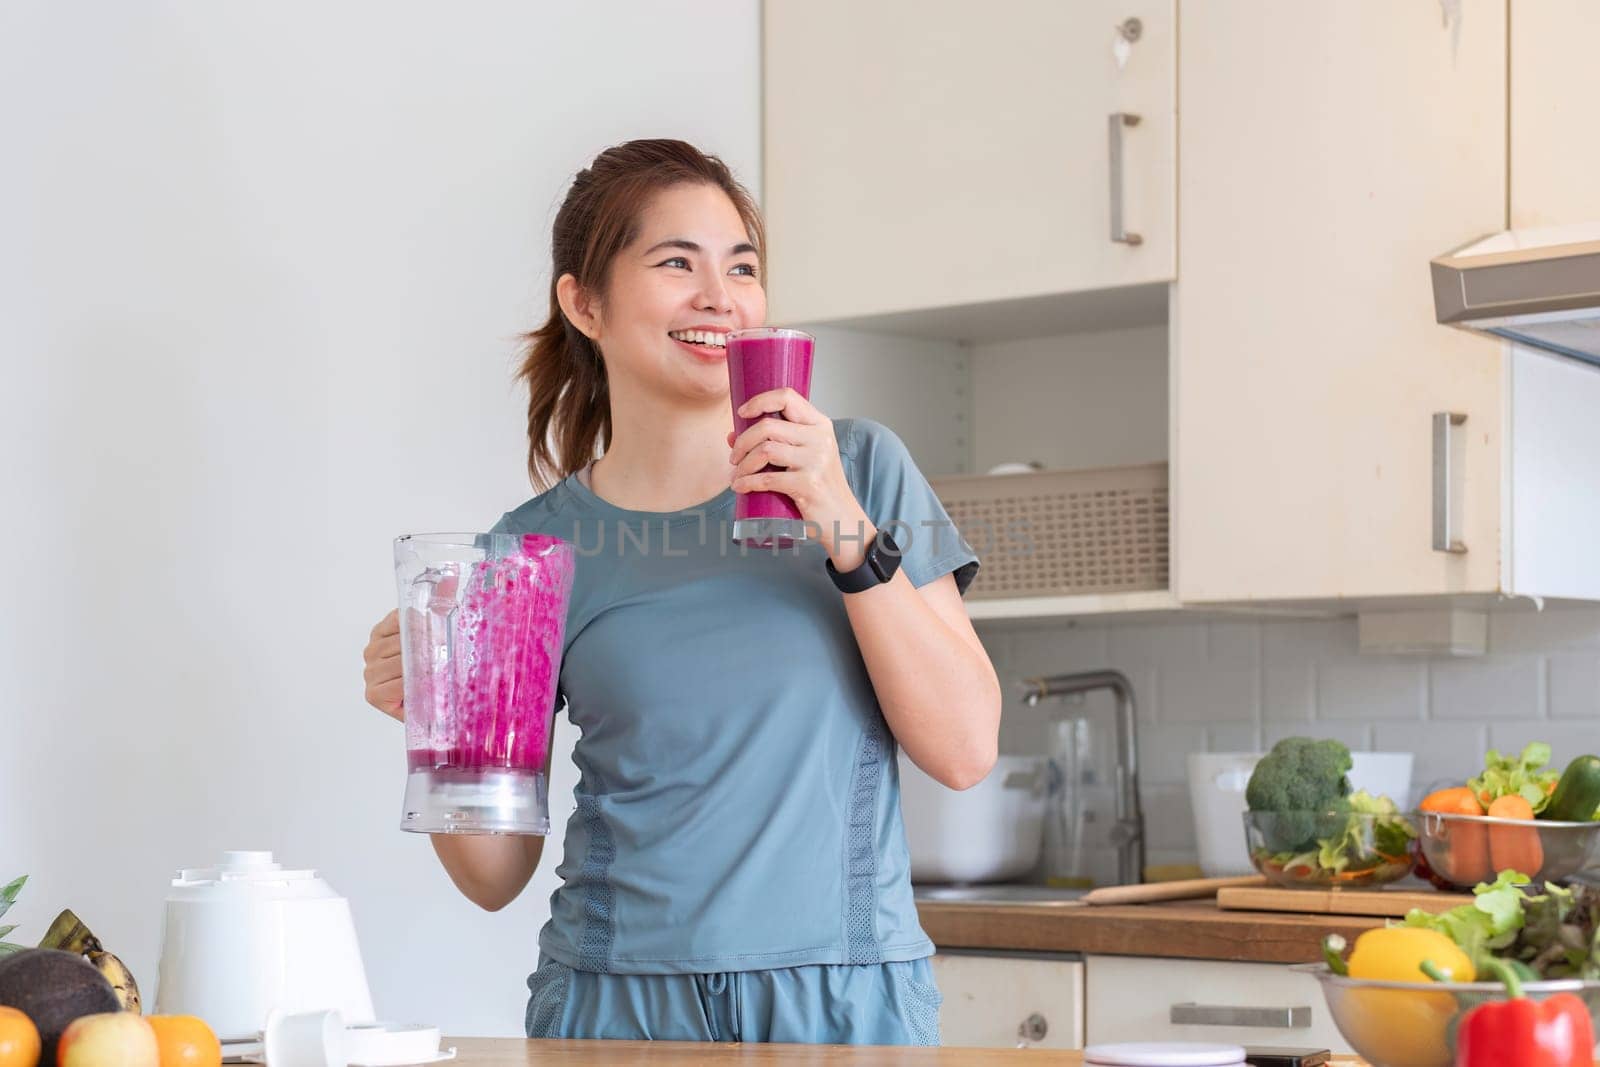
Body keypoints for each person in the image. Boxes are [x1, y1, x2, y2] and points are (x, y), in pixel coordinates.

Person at [361, 139, 1000, 1045]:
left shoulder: (863, 467)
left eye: (742, 267)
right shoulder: (529, 548)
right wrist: (434, 710)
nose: (720, 297)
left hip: (842, 1001)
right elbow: (494, 873)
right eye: (676, 262)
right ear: (584, 302)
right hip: (612, 1004)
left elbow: (967, 747)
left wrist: (838, 519)